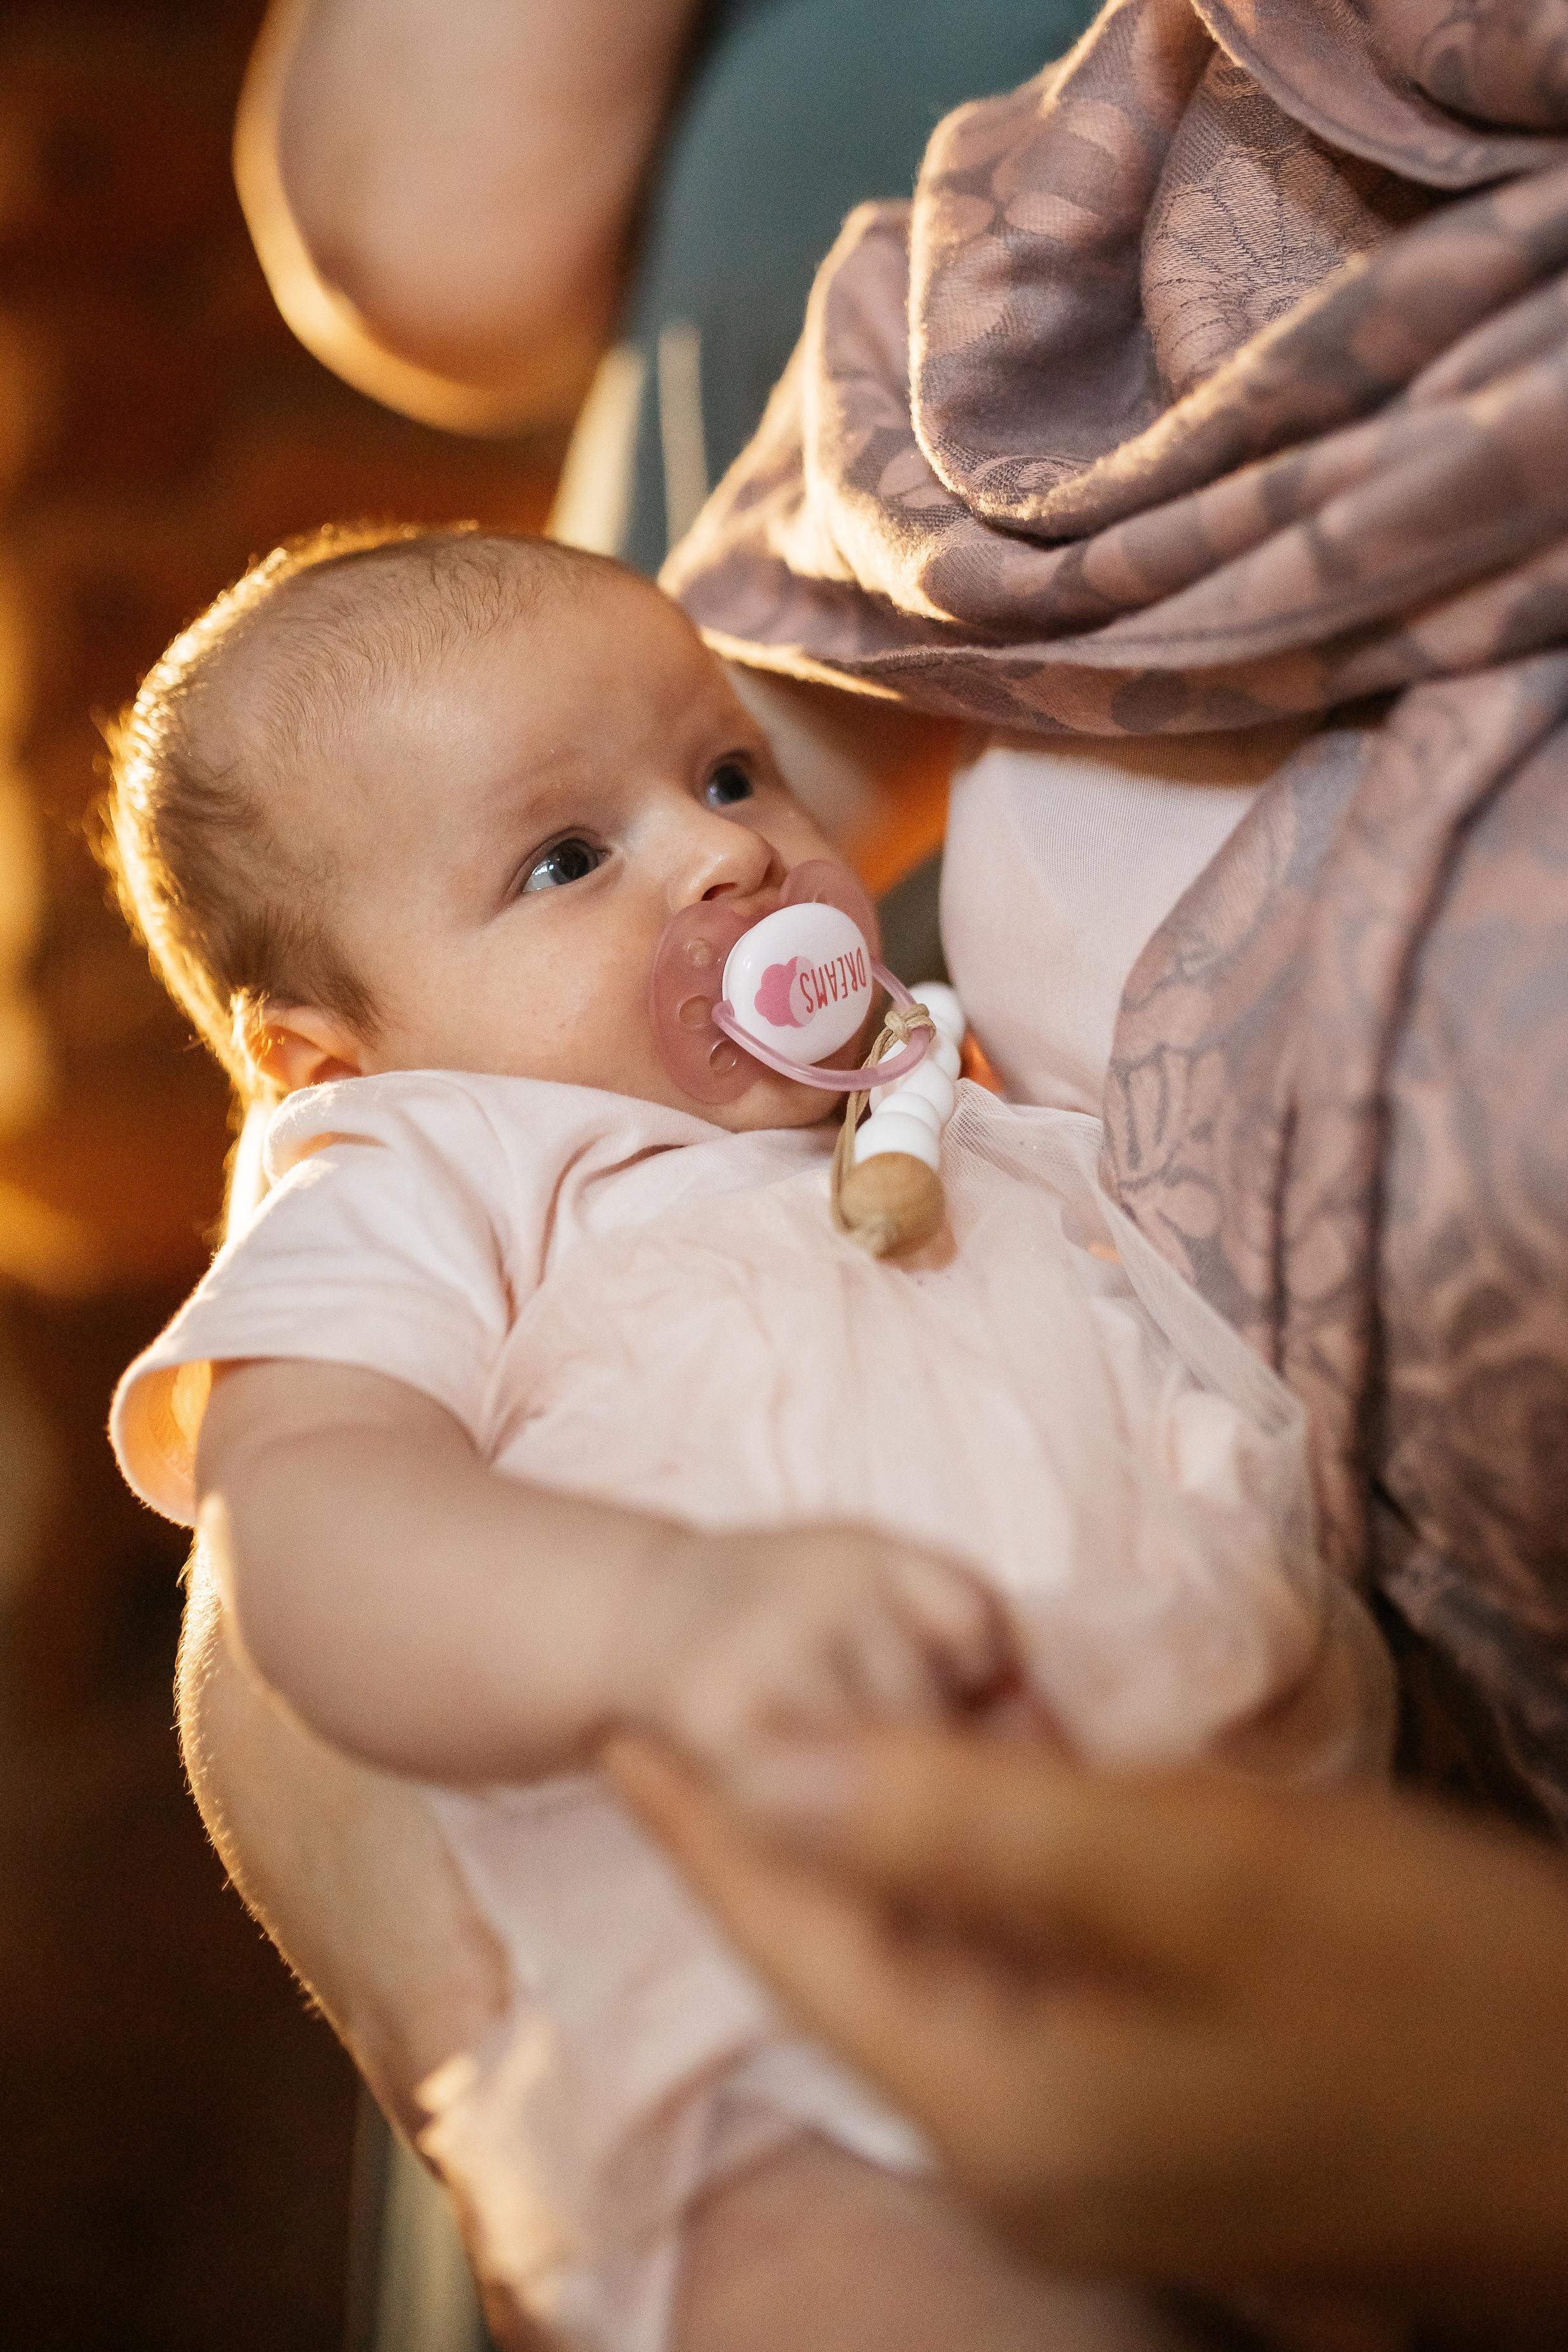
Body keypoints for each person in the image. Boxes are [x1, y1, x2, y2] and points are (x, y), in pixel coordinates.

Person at [106, 520, 1385, 2352]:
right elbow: (307, 1522)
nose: (730, 849)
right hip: (769, 1991)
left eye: (726, 767)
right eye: (566, 856)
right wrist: (655, 1619)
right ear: (324, 1062)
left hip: (1227, 1903)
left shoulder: (942, 1097)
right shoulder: (430, 1165)